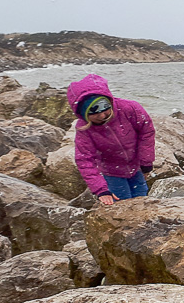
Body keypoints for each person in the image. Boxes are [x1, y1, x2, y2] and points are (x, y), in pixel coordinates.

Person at [66, 74, 156, 206]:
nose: (102, 115)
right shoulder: (84, 130)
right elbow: (84, 160)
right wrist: (101, 190)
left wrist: (146, 162)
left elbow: (146, 131)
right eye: (94, 111)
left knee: (141, 199)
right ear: (83, 114)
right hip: (112, 171)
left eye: (105, 107)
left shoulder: (129, 108)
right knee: (122, 203)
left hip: (136, 166)